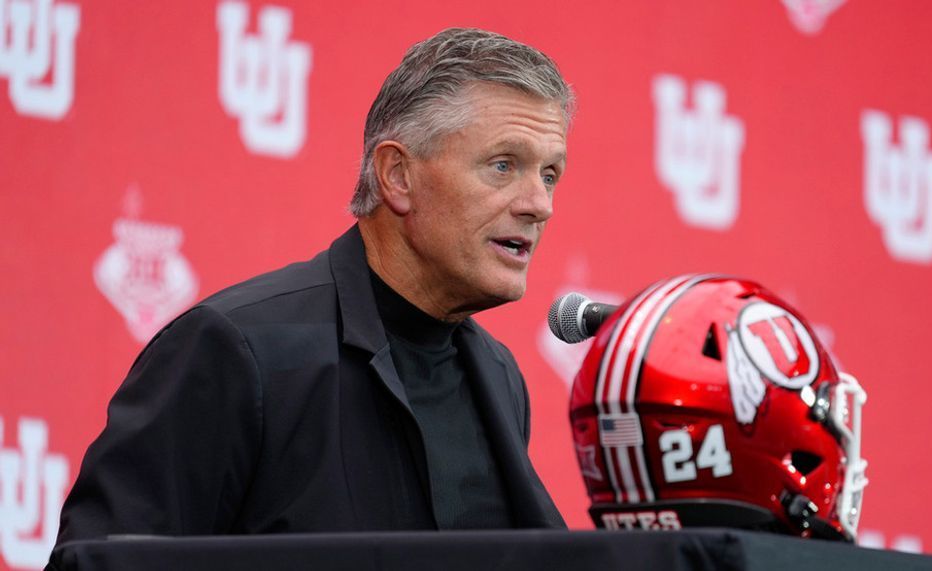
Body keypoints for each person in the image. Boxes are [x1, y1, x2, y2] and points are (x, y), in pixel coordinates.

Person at [53, 27, 572, 544]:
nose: (539, 204)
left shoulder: (500, 376)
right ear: (396, 176)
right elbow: (106, 558)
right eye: (504, 166)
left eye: (549, 175)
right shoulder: (235, 351)